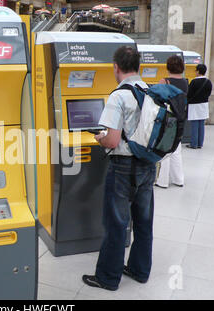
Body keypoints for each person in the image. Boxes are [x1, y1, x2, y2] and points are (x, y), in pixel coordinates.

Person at [82, 46, 157, 291]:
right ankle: (139, 270)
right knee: (144, 222)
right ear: (138, 67)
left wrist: (99, 138)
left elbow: (112, 140)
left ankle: (107, 277)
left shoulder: (118, 96)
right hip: (147, 165)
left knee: (116, 222)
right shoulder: (150, 90)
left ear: (116, 67)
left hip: (123, 167)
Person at [155, 55, 188, 189]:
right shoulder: (185, 82)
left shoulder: (165, 81)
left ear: (168, 67)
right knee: (176, 148)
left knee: (164, 148)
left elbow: (156, 98)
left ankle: (162, 181)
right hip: (180, 117)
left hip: (168, 119)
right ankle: (178, 179)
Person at [186, 64, 212, 149]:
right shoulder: (208, 82)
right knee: (201, 125)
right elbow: (208, 94)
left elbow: (189, 94)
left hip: (194, 106)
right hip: (204, 105)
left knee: (194, 125)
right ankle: (200, 143)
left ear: (197, 71)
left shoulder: (193, 82)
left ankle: (193, 144)